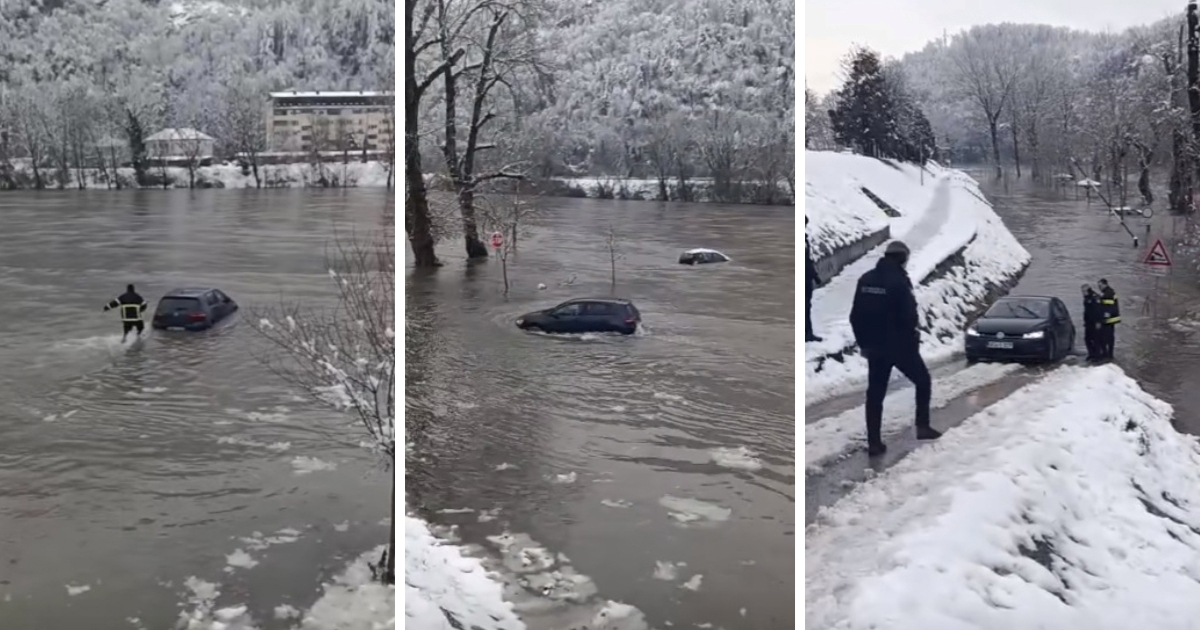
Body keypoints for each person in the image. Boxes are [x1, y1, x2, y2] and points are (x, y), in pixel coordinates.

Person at [849, 241, 942, 457]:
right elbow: (909, 316)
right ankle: (923, 426)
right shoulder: (899, 282)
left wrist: (864, 344)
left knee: (875, 395)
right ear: (902, 259)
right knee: (923, 381)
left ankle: (874, 443)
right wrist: (911, 337)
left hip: (874, 348)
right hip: (900, 347)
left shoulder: (866, 279)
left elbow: (855, 316)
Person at [805, 217, 824, 342]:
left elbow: (808, 260)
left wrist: (815, 276)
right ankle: (807, 334)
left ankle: (808, 332)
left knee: (806, 306)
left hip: (807, 276)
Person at [1097, 278, 1120, 361]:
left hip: (1109, 320)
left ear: (1105, 284)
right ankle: (1109, 354)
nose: (1099, 287)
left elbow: (1107, 308)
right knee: (1109, 337)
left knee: (1105, 337)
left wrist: (1103, 318)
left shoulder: (1108, 293)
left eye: (1100, 286)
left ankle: (1107, 355)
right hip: (1112, 319)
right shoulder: (1110, 292)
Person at [1081, 284, 1102, 362]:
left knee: (1096, 339)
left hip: (1094, 322)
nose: (1082, 293)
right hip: (1088, 322)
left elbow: (1098, 311)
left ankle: (1097, 356)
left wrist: (1098, 322)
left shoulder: (1094, 298)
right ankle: (1091, 354)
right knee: (1087, 339)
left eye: (1083, 291)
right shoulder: (1087, 298)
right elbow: (1087, 312)